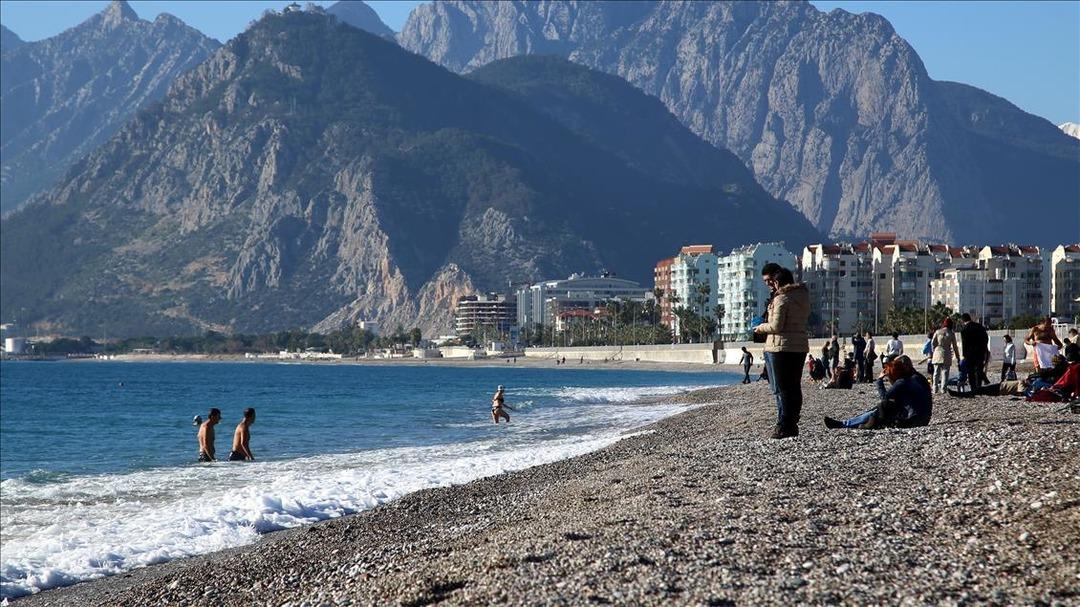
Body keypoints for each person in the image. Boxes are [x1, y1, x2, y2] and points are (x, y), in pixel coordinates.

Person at [753, 265, 810, 439]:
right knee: (794, 386)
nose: (770, 285)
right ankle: (792, 422)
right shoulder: (803, 296)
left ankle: (784, 424)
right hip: (799, 346)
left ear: (777, 282)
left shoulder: (781, 298)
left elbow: (776, 326)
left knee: (781, 388)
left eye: (771, 281)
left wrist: (759, 327)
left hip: (780, 347)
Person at [824, 355, 932, 430]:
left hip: (913, 420)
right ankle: (853, 423)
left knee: (881, 406)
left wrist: (880, 380)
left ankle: (845, 424)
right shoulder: (918, 377)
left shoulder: (903, 381)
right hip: (924, 418)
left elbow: (884, 397)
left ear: (905, 367)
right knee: (880, 408)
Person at [959, 313, 989, 394]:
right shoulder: (980, 327)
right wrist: (984, 350)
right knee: (979, 370)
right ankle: (979, 387)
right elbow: (986, 339)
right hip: (980, 353)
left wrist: (964, 355)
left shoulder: (964, 329)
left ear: (962, 320)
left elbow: (964, 344)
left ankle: (973, 388)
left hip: (970, 354)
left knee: (971, 372)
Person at [930, 318, 961, 394]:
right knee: (945, 373)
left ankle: (935, 389)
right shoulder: (951, 333)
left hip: (937, 352)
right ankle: (943, 389)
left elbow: (932, 343)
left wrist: (934, 351)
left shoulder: (937, 332)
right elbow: (955, 346)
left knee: (936, 373)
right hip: (946, 353)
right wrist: (958, 357)